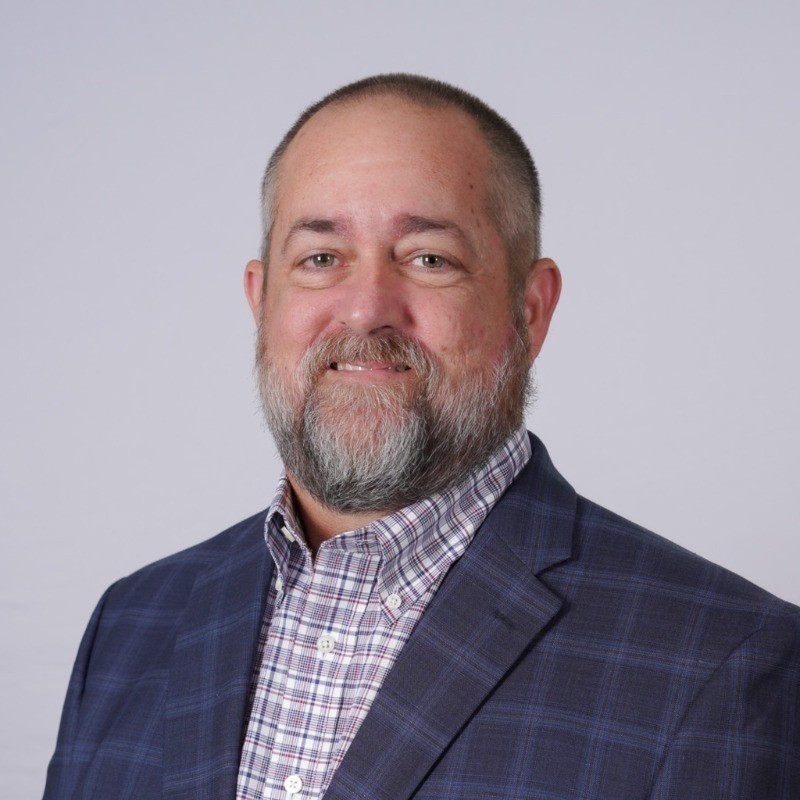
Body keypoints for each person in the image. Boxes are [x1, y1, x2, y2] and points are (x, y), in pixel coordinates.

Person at [43, 74, 799, 800]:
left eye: (429, 258)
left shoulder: (730, 663)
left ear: (530, 310)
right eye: (320, 259)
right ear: (260, 299)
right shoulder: (133, 624)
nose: (366, 310)